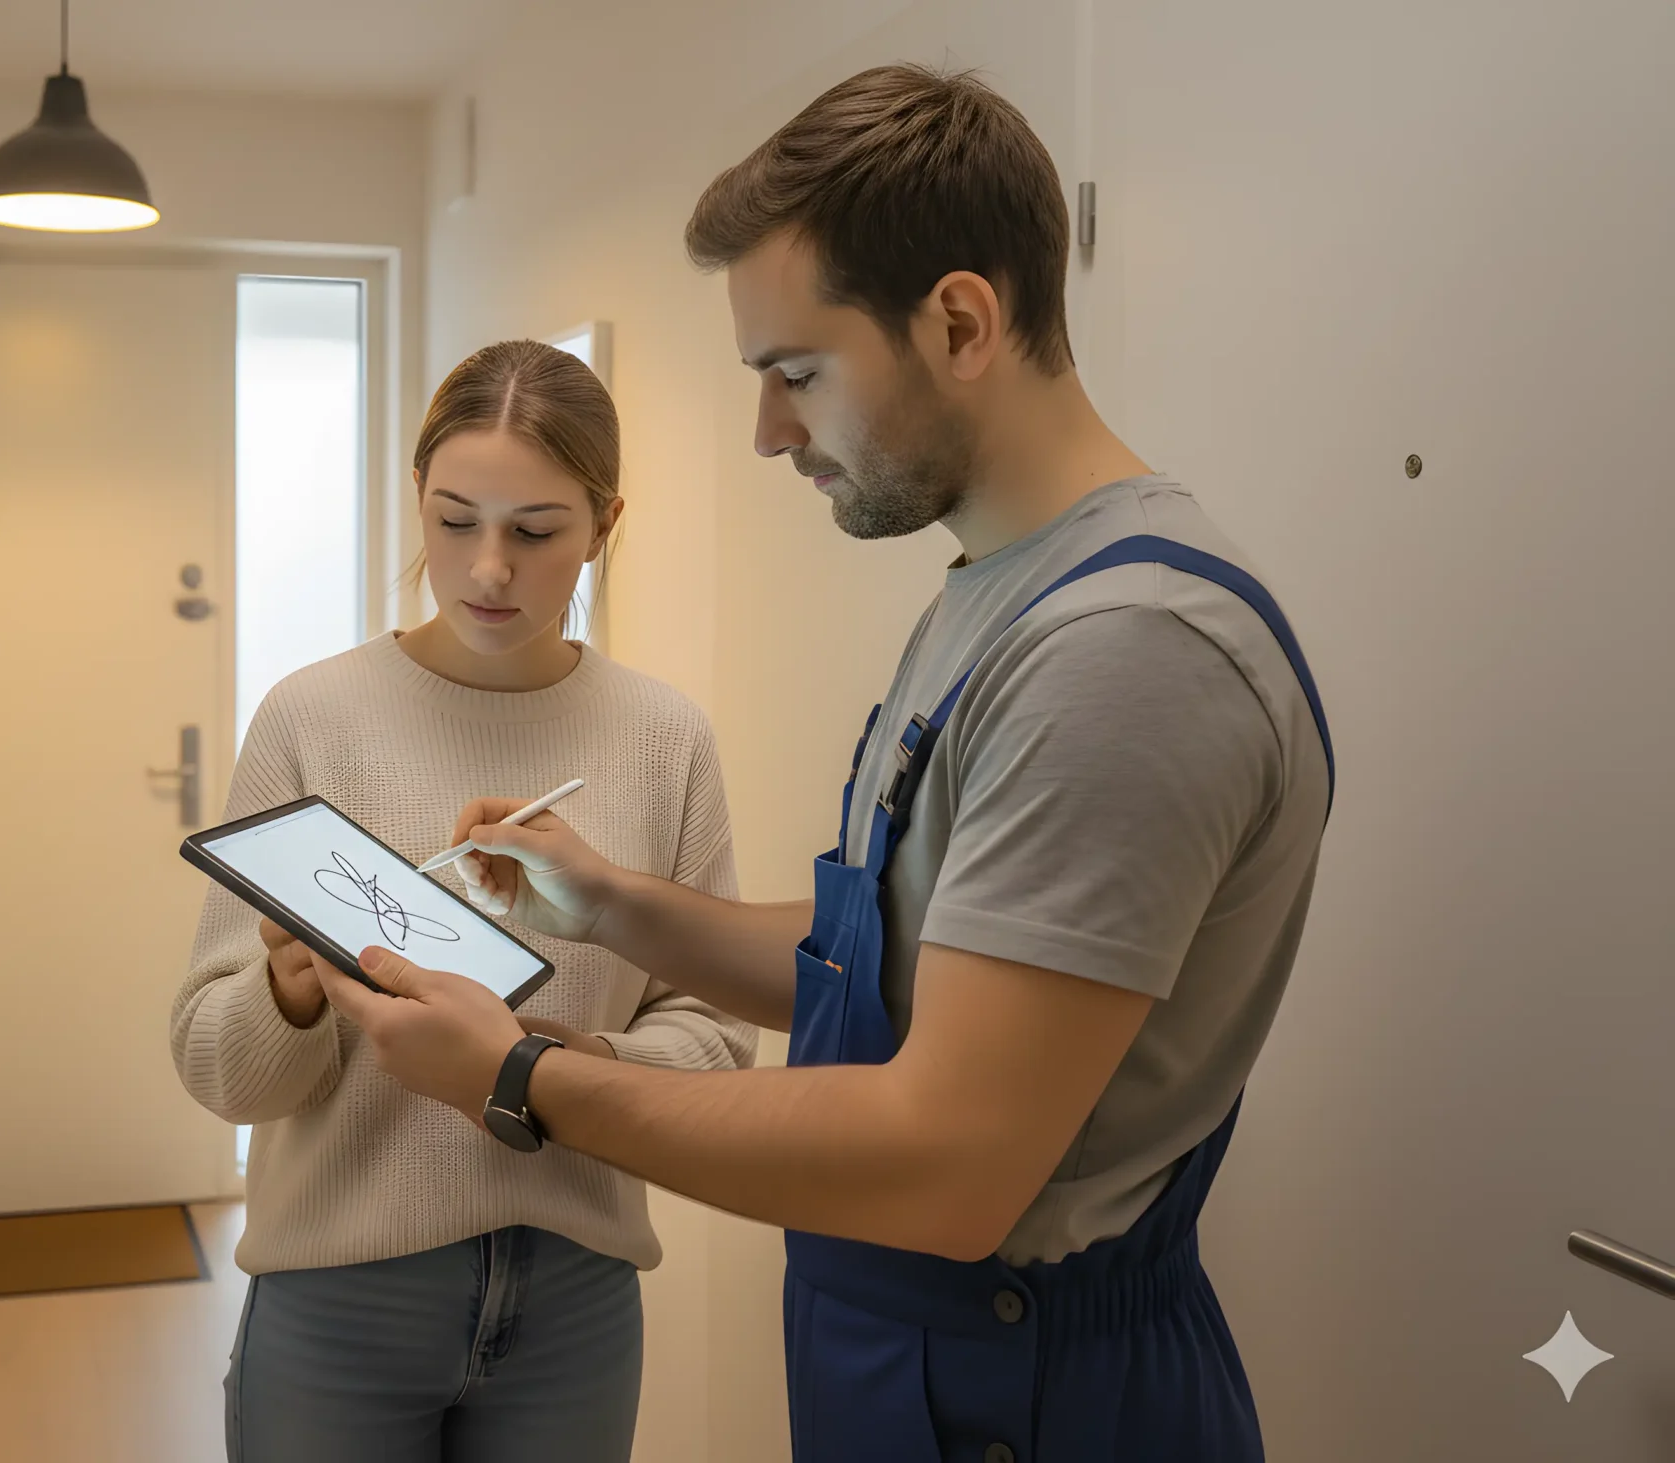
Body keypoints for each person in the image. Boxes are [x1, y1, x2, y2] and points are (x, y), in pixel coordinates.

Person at [317, 65, 1333, 1463]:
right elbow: (901, 958)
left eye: (795, 374)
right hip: (910, 1355)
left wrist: (521, 1075)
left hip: (1029, 1381)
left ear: (961, 322)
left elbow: (947, 1156)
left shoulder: (1125, 651)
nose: (769, 432)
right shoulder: (996, 593)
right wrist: (612, 904)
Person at [171, 339, 756, 1463]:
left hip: (579, 1296)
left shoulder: (664, 736)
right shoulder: (310, 717)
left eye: (535, 531)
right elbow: (215, 1069)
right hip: (339, 1290)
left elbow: (719, 1044)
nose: (489, 569)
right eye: (454, 521)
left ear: (605, 523)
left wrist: (558, 1066)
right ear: (416, 497)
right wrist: (289, 991)